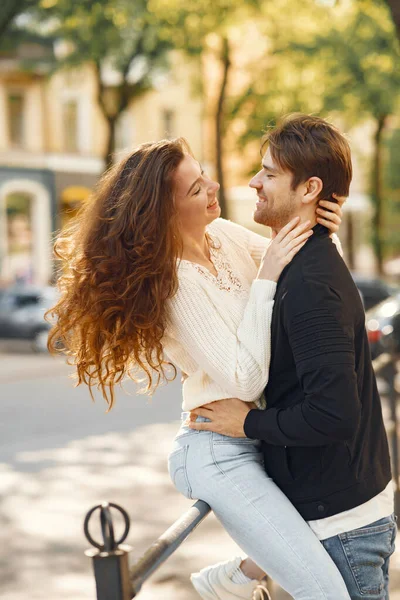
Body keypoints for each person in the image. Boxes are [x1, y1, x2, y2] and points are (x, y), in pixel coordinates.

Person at [47, 133, 350, 600]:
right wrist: (266, 275)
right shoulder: (173, 283)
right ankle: (238, 575)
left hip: (263, 431)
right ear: (164, 212)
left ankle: (236, 576)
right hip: (217, 451)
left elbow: (309, 284)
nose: (213, 188)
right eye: (195, 189)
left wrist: (324, 232)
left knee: (323, 557)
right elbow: (245, 377)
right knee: (328, 592)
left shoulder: (223, 235)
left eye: (204, 175)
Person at [189, 114, 396, 600]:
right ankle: (243, 572)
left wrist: (247, 424)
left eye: (268, 174)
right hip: (341, 518)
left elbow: (334, 414)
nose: (253, 183)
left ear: (310, 189)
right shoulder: (307, 260)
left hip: (343, 529)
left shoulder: (309, 283)